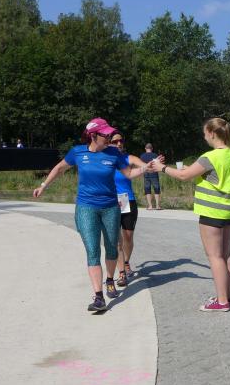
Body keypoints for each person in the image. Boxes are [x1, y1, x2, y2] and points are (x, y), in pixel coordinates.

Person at [32, 118, 148, 311]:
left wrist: (146, 168)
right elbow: (60, 168)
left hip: (110, 207)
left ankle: (109, 279)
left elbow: (129, 174)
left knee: (112, 248)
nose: (109, 137)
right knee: (93, 250)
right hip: (86, 207)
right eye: (106, 134)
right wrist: (43, 186)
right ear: (93, 135)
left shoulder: (114, 153)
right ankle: (99, 297)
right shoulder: (78, 152)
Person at [148, 118, 230, 312]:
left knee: (214, 256)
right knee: (226, 254)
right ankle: (227, 295)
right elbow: (196, 172)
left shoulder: (210, 156)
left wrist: (162, 168)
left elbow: (184, 176)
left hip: (212, 212)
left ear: (212, 133)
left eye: (205, 133)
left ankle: (221, 302)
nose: (204, 136)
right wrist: (181, 169)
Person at [110, 131, 146, 287]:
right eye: (115, 141)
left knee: (128, 237)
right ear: (108, 143)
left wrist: (153, 166)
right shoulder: (104, 159)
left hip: (126, 200)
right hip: (110, 201)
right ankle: (121, 272)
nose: (119, 143)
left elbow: (143, 165)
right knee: (116, 239)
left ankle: (126, 262)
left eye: (121, 141)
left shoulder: (128, 158)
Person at [139, 143, 162, 210]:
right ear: (152, 148)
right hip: (154, 173)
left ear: (145, 148)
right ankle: (157, 206)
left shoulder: (142, 156)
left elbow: (141, 166)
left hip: (146, 173)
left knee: (147, 189)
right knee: (156, 189)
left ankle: (150, 206)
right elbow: (158, 165)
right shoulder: (155, 155)